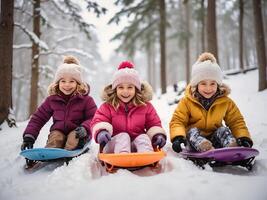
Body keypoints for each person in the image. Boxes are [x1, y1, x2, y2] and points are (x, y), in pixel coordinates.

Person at [170, 52, 253, 153]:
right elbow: (178, 120)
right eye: (203, 83)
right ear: (196, 85)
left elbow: (236, 120)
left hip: (215, 138)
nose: (208, 88)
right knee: (192, 132)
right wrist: (178, 137)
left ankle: (231, 147)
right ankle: (205, 147)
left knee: (223, 130)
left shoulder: (225, 101)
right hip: (194, 140)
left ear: (218, 85)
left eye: (213, 83)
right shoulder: (187, 101)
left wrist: (243, 136)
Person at [21, 55, 97, 151]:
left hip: (78, 132)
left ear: (78, 83)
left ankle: (71, 150)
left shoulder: (86, 100)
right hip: (59, 131)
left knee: (73, 138)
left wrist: (85, 128)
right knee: (55, 137)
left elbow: (94, 117)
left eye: (72, 81)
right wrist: (29, 136)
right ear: (58, 83)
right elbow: (38, 118)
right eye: (63, 81)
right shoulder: (52, 100)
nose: (67, 85)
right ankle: (51, 151)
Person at [91, 61, 166, 154]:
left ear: (136, 89)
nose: (125, 91)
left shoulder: (145, 106)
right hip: (113, 146)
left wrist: (157, 134)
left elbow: (154, 123)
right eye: (121, 87)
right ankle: (122, 157)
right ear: (115, 89)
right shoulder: (107, 106)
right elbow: (99, 120)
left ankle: (146, 156)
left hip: (136, 145)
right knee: (123, 136)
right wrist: (101, 132)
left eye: (130, 87)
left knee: (143, 137)